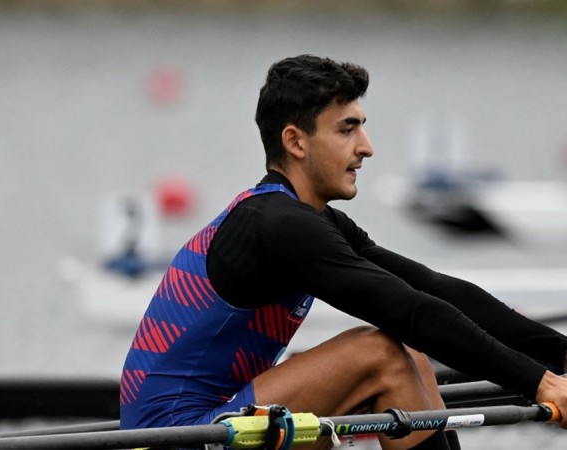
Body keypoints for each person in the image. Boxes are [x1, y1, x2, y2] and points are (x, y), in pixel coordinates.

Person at [119, 55, 567, 450]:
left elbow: (434, 290)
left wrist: (559, 356)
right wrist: (541, 383)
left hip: (226, 420)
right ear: (296, 142)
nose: (366, 148)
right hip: (176, 436)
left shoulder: (312, 221)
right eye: (347, 129)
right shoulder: (278, 225)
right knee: (380, 353)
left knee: (410, 353)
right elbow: (408, 310)